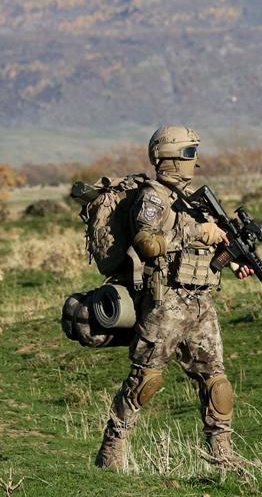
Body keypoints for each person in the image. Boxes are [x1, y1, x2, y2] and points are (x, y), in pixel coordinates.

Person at [95, 125, 252, 470]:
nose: (195, 161)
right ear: (169, 157)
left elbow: (211, 244)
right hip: (165, 300)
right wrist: (198, 231)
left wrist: (234, 257)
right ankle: (112, 449)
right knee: (146, 378)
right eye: (189, 153)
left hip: (200, 301)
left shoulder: (195, 197)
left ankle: (221, 454)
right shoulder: (153, 196)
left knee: (217, 381)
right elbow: (146, 242)